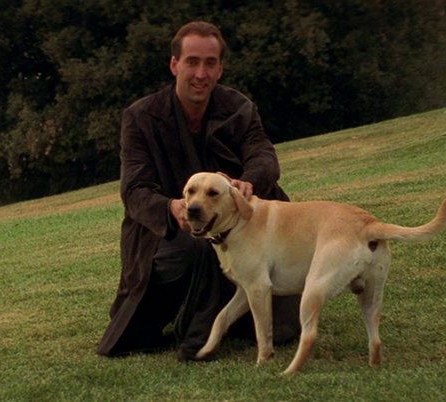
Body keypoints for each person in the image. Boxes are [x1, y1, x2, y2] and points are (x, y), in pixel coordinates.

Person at [97, 21, 300, 360]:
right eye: (192, 62)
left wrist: (246, 183)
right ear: (174, 64)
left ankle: (225, 315)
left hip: (240, 224)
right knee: (196, 247)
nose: (201, 74)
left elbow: (264, 156)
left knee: (283, 332)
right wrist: (171, 208)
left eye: (210, 63)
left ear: (220, 68)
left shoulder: (240, 107)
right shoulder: (140, 117)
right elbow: (134, 190)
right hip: (168, 232)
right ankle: (192, 327)